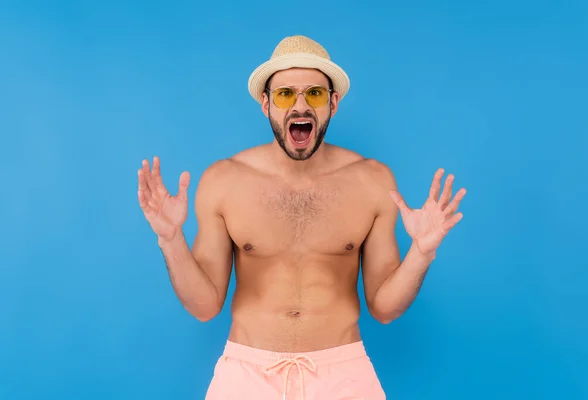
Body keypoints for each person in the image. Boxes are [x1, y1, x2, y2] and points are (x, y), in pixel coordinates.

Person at [137, 35, 466, 400]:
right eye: (284, 95)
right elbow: (204, 306)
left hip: (343, 375)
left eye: (314, 94)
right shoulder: (224, 181)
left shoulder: (373, 182)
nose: (300, 106)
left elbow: (384, 309)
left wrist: (422, 251)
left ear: (333, 103)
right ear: (265, 104)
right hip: (246, 376)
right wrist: (170, 239)